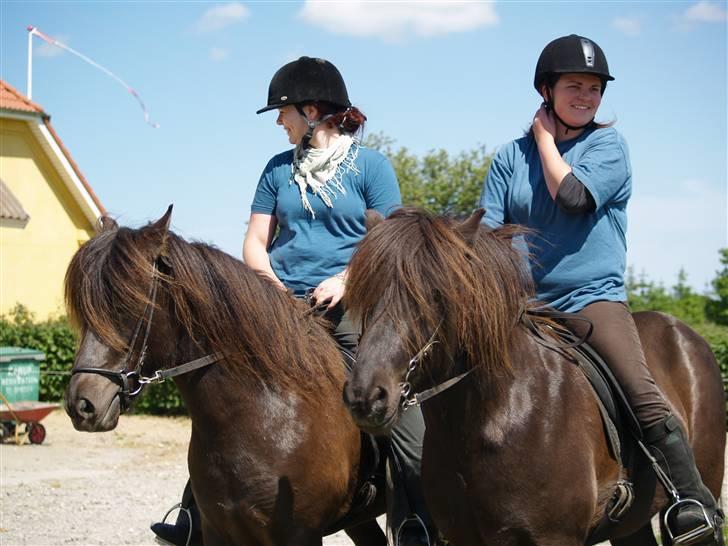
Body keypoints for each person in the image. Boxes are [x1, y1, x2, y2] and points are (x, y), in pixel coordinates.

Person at [151, 56, 433, 546]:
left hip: (353, 302)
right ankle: (195, 513)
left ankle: (417, 515)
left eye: (282, 113)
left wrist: (346, 280)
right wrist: (270, 288)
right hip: (280, 304)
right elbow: (255, 242)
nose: (279, 122)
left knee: (395, 403)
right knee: (223, 390)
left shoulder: (371, 166)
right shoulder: (277, 170)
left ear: (311, 110)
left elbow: (389, 243)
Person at [480, 34, 722, 545]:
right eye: (575, 86)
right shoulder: (507, 158)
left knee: (641, 390)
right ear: (547, 90)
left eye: (594, 89)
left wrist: (545, 140)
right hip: (526, 307)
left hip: (592, 299)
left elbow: (571, 196)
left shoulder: (609, 146)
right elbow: (490, 237)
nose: (586, 97)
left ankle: (693, 502)